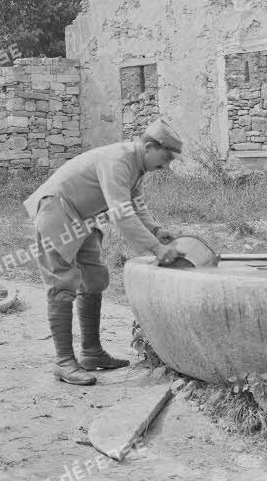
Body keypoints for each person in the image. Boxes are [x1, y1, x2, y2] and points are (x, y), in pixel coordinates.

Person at [23, 118, 182, 385]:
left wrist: (155, 230)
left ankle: (92, 352)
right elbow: (121, 213)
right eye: (164, 158)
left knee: (95, 279)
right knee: (62, 284)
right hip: (57, 212)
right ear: (148, 146)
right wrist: (156, 249)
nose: (165, 166)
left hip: (82, 218)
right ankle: (63, 362)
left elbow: (136, 204)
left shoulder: (137, 167)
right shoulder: (118, 160)